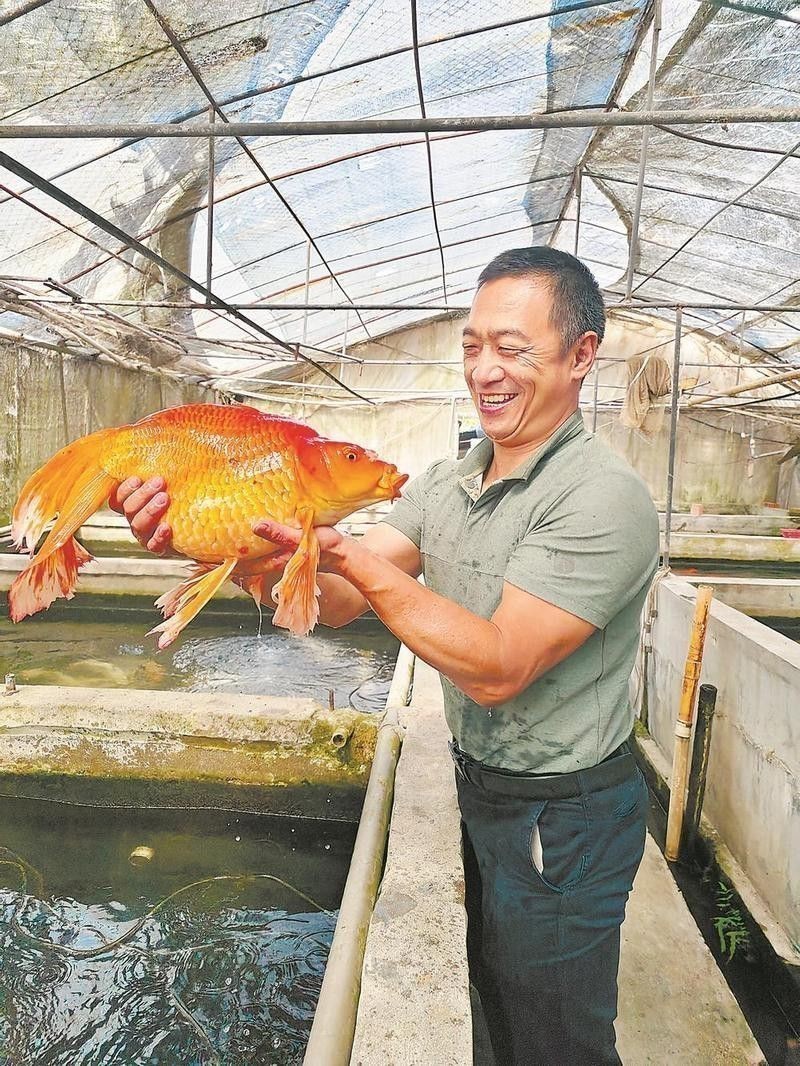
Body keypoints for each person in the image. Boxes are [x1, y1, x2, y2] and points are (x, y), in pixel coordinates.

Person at [111, 247, 659, 1065]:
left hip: (563, 813)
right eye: (473, 346)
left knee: (556, 1034)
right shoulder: (447, 483)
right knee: (497, 1001)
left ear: (581, 356)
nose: (485, 370)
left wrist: (343, 552)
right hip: (481, 784)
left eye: (513, 348)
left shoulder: (601, 496)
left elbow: (500, 667)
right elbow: (336, 602)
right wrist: (228, 544)